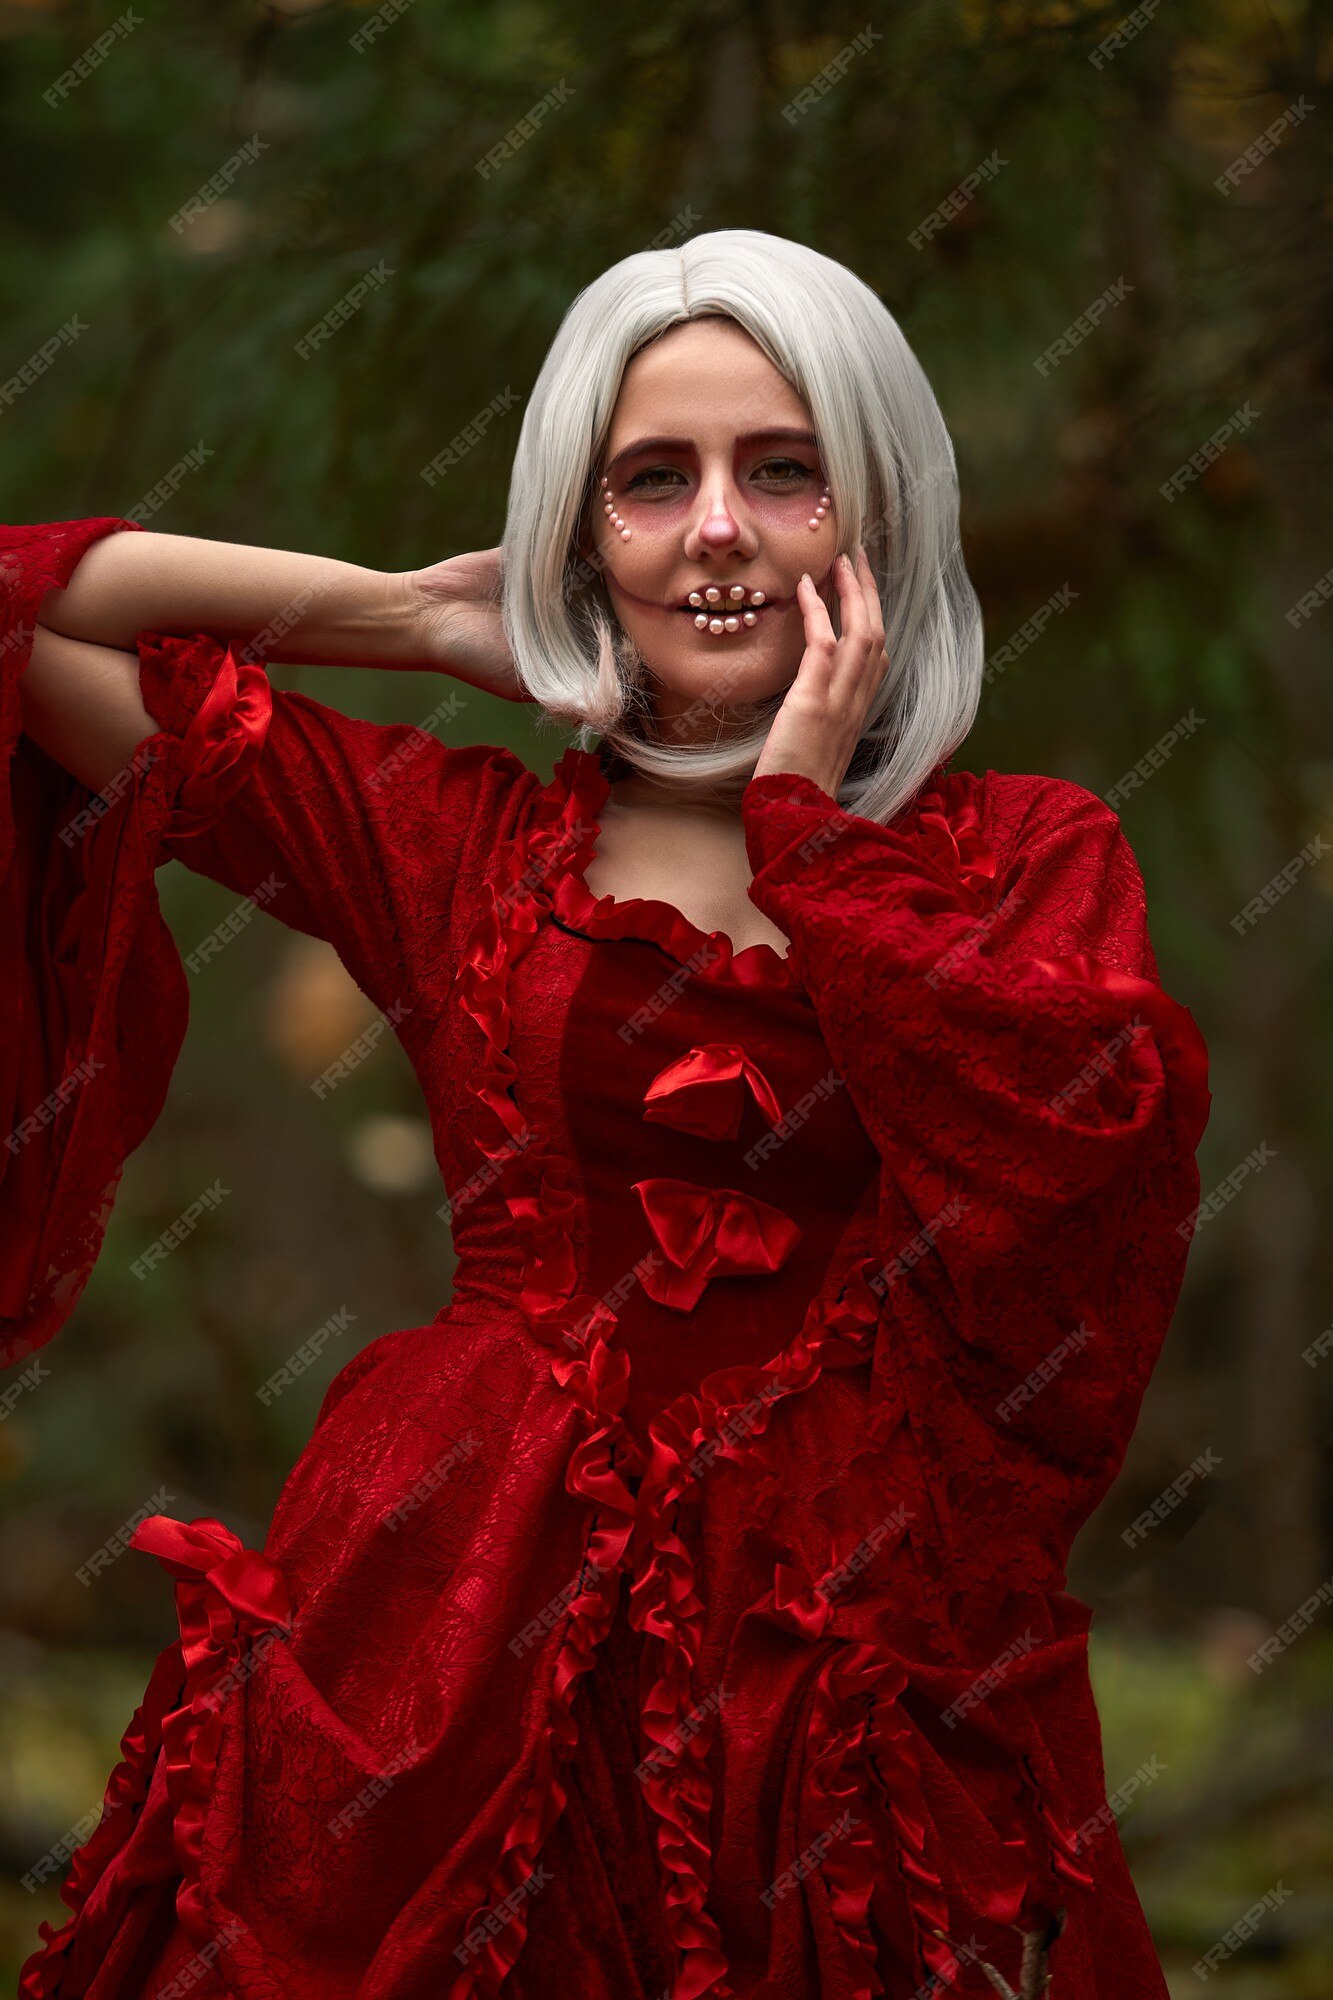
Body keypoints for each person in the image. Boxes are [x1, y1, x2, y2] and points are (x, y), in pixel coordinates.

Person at [2, 228, 1210, 2000]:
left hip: (833, 1689)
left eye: (782, 468)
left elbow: (1063, 1185)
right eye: (653, 479)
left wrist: (807, 828)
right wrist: (404, 616)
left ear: (871, 511)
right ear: (585, 533)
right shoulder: (461, 852)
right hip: (445, 1637)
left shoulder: (1023, 863)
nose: (717, 526)